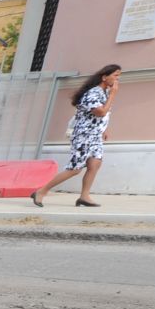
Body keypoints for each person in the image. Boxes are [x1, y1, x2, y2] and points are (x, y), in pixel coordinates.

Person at [32, 65, 120, 208]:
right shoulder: (93, 93)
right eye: (116, 75)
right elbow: (100, 112)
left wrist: (103, 129)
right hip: (84, 135)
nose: (118, 79)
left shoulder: (104, 92)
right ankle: (41, 191)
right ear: (104, 77)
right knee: (75, 168)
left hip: (95, 135)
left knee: (95, 164)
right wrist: (113, 94)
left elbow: (102, 115)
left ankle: (84, 197)